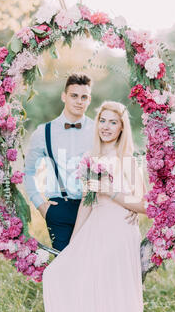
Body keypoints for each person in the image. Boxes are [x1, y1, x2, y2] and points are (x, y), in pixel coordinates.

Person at [42, 101, 163, 312]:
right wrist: (72, 244)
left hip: (119, 231)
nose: (106, 127)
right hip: (95, 228)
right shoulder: (90, 158)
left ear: (122, 128)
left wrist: (115, 193)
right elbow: (87, 202)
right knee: (60, 275)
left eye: (113, 122)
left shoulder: (130, 161)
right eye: (102, 121)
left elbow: (145, 205)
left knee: (110, 292)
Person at [24, 73, 138, 252]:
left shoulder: (101, 129)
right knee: (64, 264)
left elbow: (122, 161)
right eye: (74, 95)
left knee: (91, 266)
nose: (79, 101)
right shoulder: (43, 132)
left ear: (89, 99)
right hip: (59, 208)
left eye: (84, 97)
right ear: (64, 96)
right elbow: (28, 171)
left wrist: (131, 205)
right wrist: (40, 205)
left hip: (95, 208)